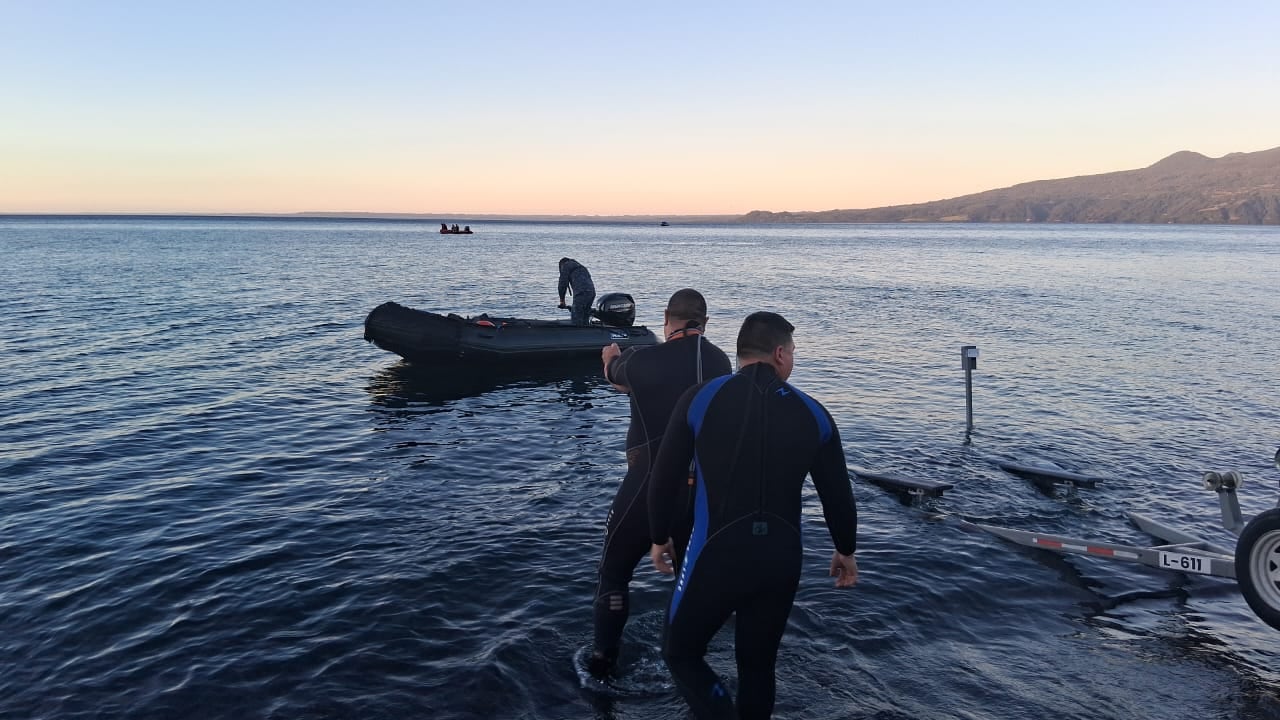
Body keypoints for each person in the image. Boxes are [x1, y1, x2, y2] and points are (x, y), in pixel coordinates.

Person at [647, 311, 859, 719]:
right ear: (779, 354)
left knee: (680, 652)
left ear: (741, 353)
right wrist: (845, 550)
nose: (792, 360)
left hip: (716, 553)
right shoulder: (814, 413)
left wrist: (660, 536)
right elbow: (837, 494)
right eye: (793, 352)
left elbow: (663, 477)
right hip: (780, 559)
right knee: (758, 666)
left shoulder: (700, 398)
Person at [587, 289, 733, 678]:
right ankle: (683, 664)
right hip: (699, 493)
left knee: (615, 572)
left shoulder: (643, 359)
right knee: (688, 581)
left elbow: (615, 377)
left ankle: (602, 664)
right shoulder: (722, 364)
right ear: (704, 321)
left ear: (667, 318)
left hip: (647, 484)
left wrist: (612, 358)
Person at [557, 257, 596, 326]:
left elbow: (562, 284)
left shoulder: (566, 266)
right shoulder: (581, 267)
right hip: (591, 293)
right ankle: (586, 333)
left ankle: (577, 333)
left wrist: (562, 301)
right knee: (585, 316)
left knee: (576, 319)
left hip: (581, 293)